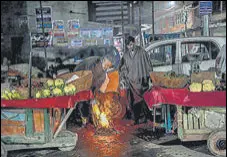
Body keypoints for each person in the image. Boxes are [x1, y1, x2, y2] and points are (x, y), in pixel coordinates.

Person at [74, 46, 120, 127]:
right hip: (79, 76)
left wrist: (95, 98)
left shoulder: (103, 74)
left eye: (109, 67)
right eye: (107, 65)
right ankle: (83, 120)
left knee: (91, 100)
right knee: (83, 98)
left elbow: (96, 87)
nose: (107, 67)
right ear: (104, 59)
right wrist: (92, 98)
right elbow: (87, 83)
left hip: (89, 81)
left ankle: (90, 118)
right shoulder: (93, 64)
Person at [119, 36, 153, 125]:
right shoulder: (126, 55)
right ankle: (136, 119)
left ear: (134, 42)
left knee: (144, 100)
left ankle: (148, 118)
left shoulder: (142, 52)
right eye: (128, 46)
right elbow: (123, 68)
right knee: (134, 101)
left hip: (142, 81)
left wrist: (150, 78)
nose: (130, 47)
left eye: (131, 44)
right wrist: (124, 76)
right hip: (131, 82)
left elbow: (149, 66)